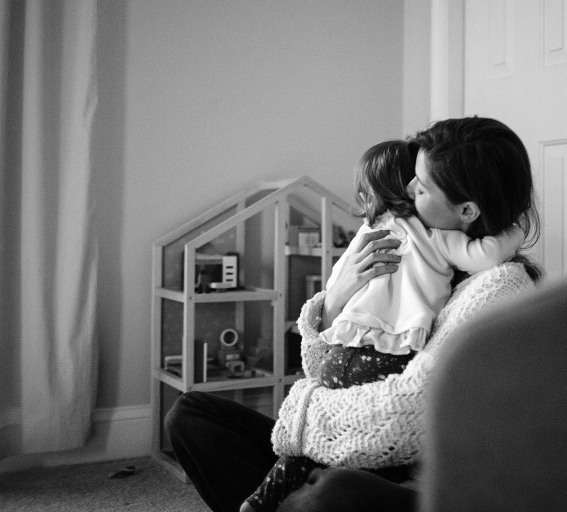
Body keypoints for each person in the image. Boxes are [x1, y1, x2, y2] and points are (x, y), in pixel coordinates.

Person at [165, 116, 541, 512]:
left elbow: (408, 417)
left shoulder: (497, 288)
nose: (408, 190)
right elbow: (323, 369)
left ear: (467, 210)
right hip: (333, 439)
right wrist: (336, 298)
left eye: (423, 186)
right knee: (191, 416)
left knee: (333, 493)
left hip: (409, 476)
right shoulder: (402, 245)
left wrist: (303, 412)